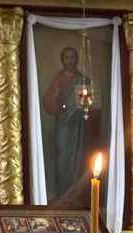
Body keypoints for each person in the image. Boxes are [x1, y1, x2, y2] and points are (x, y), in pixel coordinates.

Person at [42, 47, 90, 201]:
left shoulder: (83, 80)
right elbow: (47, 101)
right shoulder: (57, 79)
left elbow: (90, 103)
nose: (70, 61)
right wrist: (56, 98)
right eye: (67, 57)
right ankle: (62, 193)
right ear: (62, 60)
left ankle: (75, 194)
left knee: (77, 156)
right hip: (63, 125)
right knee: (63, 157)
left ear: (77, 60)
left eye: (72, 58)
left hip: (78, 125)